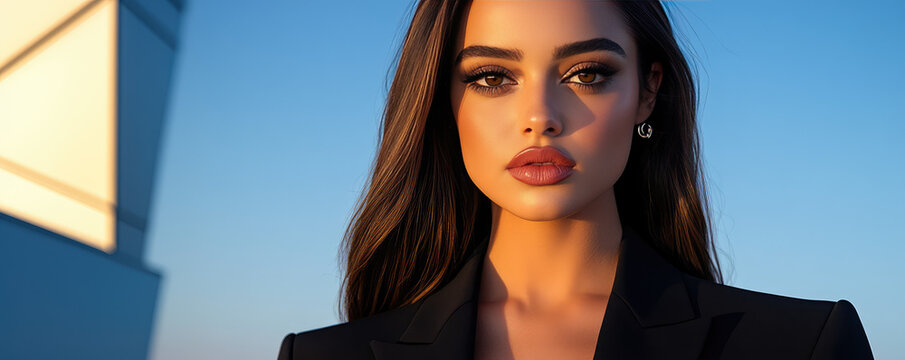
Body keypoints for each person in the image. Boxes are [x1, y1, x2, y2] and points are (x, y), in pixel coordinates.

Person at [278, 1, 874, 359]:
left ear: (647, 92)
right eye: (491, 77)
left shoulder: (802, 345)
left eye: (587, 73)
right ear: (442, 101)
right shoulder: (323, 357)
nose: (540, 115)